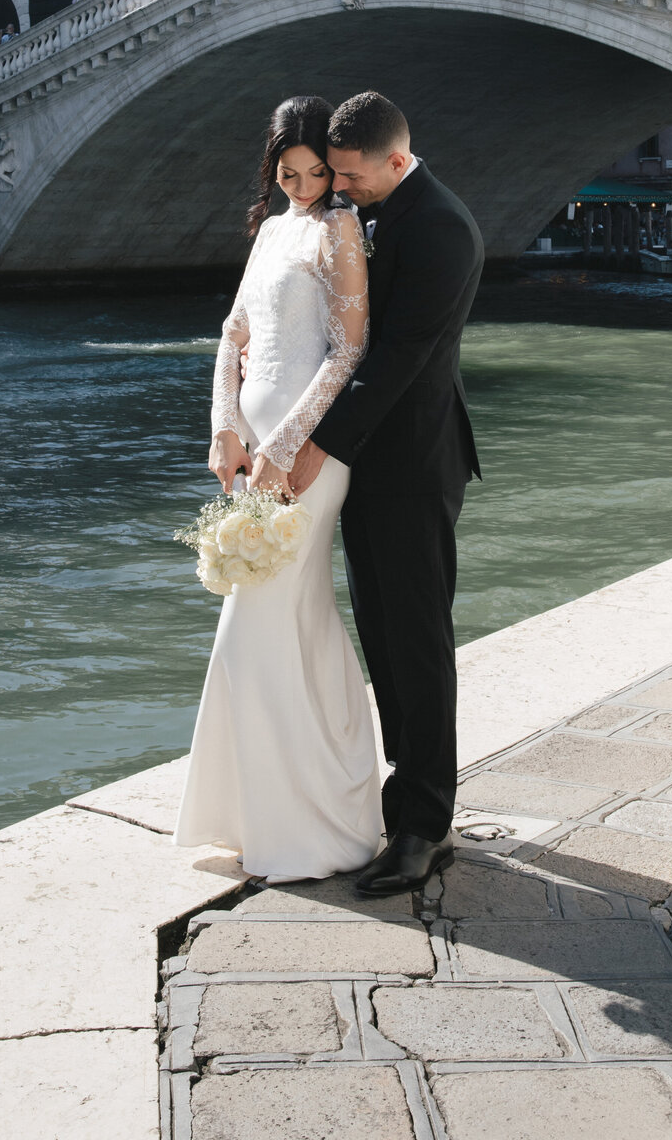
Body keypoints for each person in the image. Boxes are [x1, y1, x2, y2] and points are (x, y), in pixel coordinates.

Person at [174, 97, 381, 881]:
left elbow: (348, 350)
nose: (302, 188)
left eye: (316, 173)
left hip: (310, 455)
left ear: (335, 168)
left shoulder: (340, 230)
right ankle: (283, 809)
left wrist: (287, 448)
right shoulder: (269, 232)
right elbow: (232, 334)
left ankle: (307, 825)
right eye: (287, 174)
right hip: (253, 449)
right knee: (288, 621)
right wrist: (226, 429)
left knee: (256, 625)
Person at [289, 92, 484, 896]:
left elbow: (395, 360)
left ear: (396, 161)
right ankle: (404, 804)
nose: (338, 186)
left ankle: (426, 828)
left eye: (349, 174)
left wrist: (313, 445)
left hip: (413, 464)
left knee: (417, 643)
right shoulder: (374, 208)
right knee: (383, 635)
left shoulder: (440, 228)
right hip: (371, 466)